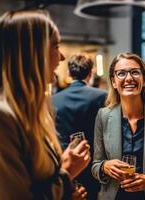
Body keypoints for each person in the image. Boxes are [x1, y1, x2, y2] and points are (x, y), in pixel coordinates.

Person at [0, 10, 90, 199]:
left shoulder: (33, 111)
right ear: (31, 53)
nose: (62, 57)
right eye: (56, 46)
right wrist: (66, 173)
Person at [92, 52, 145, 200]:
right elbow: (95, 164)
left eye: (135, 72)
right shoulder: (103, 116)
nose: (129, 78)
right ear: (113, 81)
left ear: (144, 80)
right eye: (121, 73)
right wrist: (104, 167)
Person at [52, 53, 107, 199]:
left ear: (69, 72)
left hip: (64, 163)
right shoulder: (102, 96)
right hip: (92, 161)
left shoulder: (54, 99)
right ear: (90, 73)